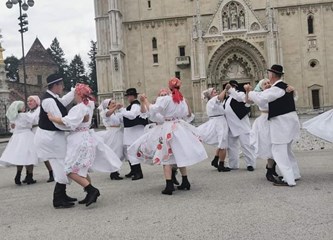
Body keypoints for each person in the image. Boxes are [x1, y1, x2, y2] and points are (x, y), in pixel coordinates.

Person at [128, 77, 208, 195]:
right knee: (179, 155)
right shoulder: (181, 99)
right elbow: (186, 113)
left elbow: (153, 108)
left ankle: (169, 185)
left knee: (166, 157)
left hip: (169, 127)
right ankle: (185, 181)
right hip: (179, 126)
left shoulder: (166, 99)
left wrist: (145, 100)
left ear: (169, 87)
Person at [47, 83, 122, 207]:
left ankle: (91, 190)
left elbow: (68, 122)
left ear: (78, 94)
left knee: (69, 169)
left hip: (79, 139)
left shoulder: (79, 107)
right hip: (86, 137)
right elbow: (82, 118)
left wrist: (53, 118)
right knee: (81, 168)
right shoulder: (89, 105)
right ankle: (89, 192)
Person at [247, 65, 301, 187]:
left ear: (272, 75)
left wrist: (250, 92)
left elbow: (261, 98)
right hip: (289, 122)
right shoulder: (285, 86)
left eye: (269, 74)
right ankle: (295, 174)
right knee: (287, 150)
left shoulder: (277, 88)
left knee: (278, 151)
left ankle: (289, 180)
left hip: (282, 124)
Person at [34, 73, 77, 208]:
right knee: (60, 163)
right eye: (61, 85)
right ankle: (58, 199)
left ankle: (62, 194)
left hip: (52, 136)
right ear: (56, 86)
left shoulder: (53, 98)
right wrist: (73, 126)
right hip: (50, 137)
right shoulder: (48, 101)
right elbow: (58, 122)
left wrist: (75, 90)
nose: (62, 87)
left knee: (62, 162)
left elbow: (63, 102)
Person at [0, 101, 39, 185]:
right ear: (20, 108)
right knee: (30, 156)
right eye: (23, 106)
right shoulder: (24, 115)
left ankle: (18, 175)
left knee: (20, 157)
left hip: (17, 137)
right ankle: (29, 176)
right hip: (26, 135)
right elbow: (34, 119)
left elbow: (12, 128)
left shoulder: (13, 117)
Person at [20, 96, 54, 183]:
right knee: (29, 153)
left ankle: (52, 173)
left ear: (36, 102)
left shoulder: (39, 110)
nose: (29, 102)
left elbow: (32, 119)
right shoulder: (29, 112)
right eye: (28, 101)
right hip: (30, 132)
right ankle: (29, 175)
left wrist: (23, 116)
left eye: (31, 101)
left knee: (43, 153)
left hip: (38, 131)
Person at [224, 80, 256, 171]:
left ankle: (250, 164)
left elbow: (242, 100)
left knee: (246, 145)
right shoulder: (227, 98)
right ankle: (233, 164)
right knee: (232, 146)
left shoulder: (240, 93)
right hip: (231, 125)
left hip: (241, 124)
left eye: (229, 87)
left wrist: (231, 90)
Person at [197, 87, 230, 172]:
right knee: (223, 144)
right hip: (219, 122)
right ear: (211, 95)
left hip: (219, 121)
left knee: (221, 142)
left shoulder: (214, 102)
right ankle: (221, 165)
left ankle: (216, 160)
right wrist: (225, 89)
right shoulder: (213, 101)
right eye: (214, 92)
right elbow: (220, 97)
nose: (217, 93)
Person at [119, 88, 149, 181]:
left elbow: (132, 115)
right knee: (130, 151)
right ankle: (134, 170)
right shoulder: (133, 105)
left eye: (128, 96)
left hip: (134, 131)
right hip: (132, 131)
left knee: (132, 151)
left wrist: (122, 110)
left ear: (132, 96)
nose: (127, 98)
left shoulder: (135, 105)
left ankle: (138, 173)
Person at [97, 99, 124, 180]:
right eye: (112, 103)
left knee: (119, 152)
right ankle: (113, 172)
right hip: (111, 133)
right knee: (114, 152)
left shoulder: (116, 113)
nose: (114, 104)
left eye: (114, 103)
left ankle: (115, 171)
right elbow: (107, 115)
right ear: (108, 105)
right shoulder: (104, 112)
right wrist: (115, 108)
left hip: (118, 132)